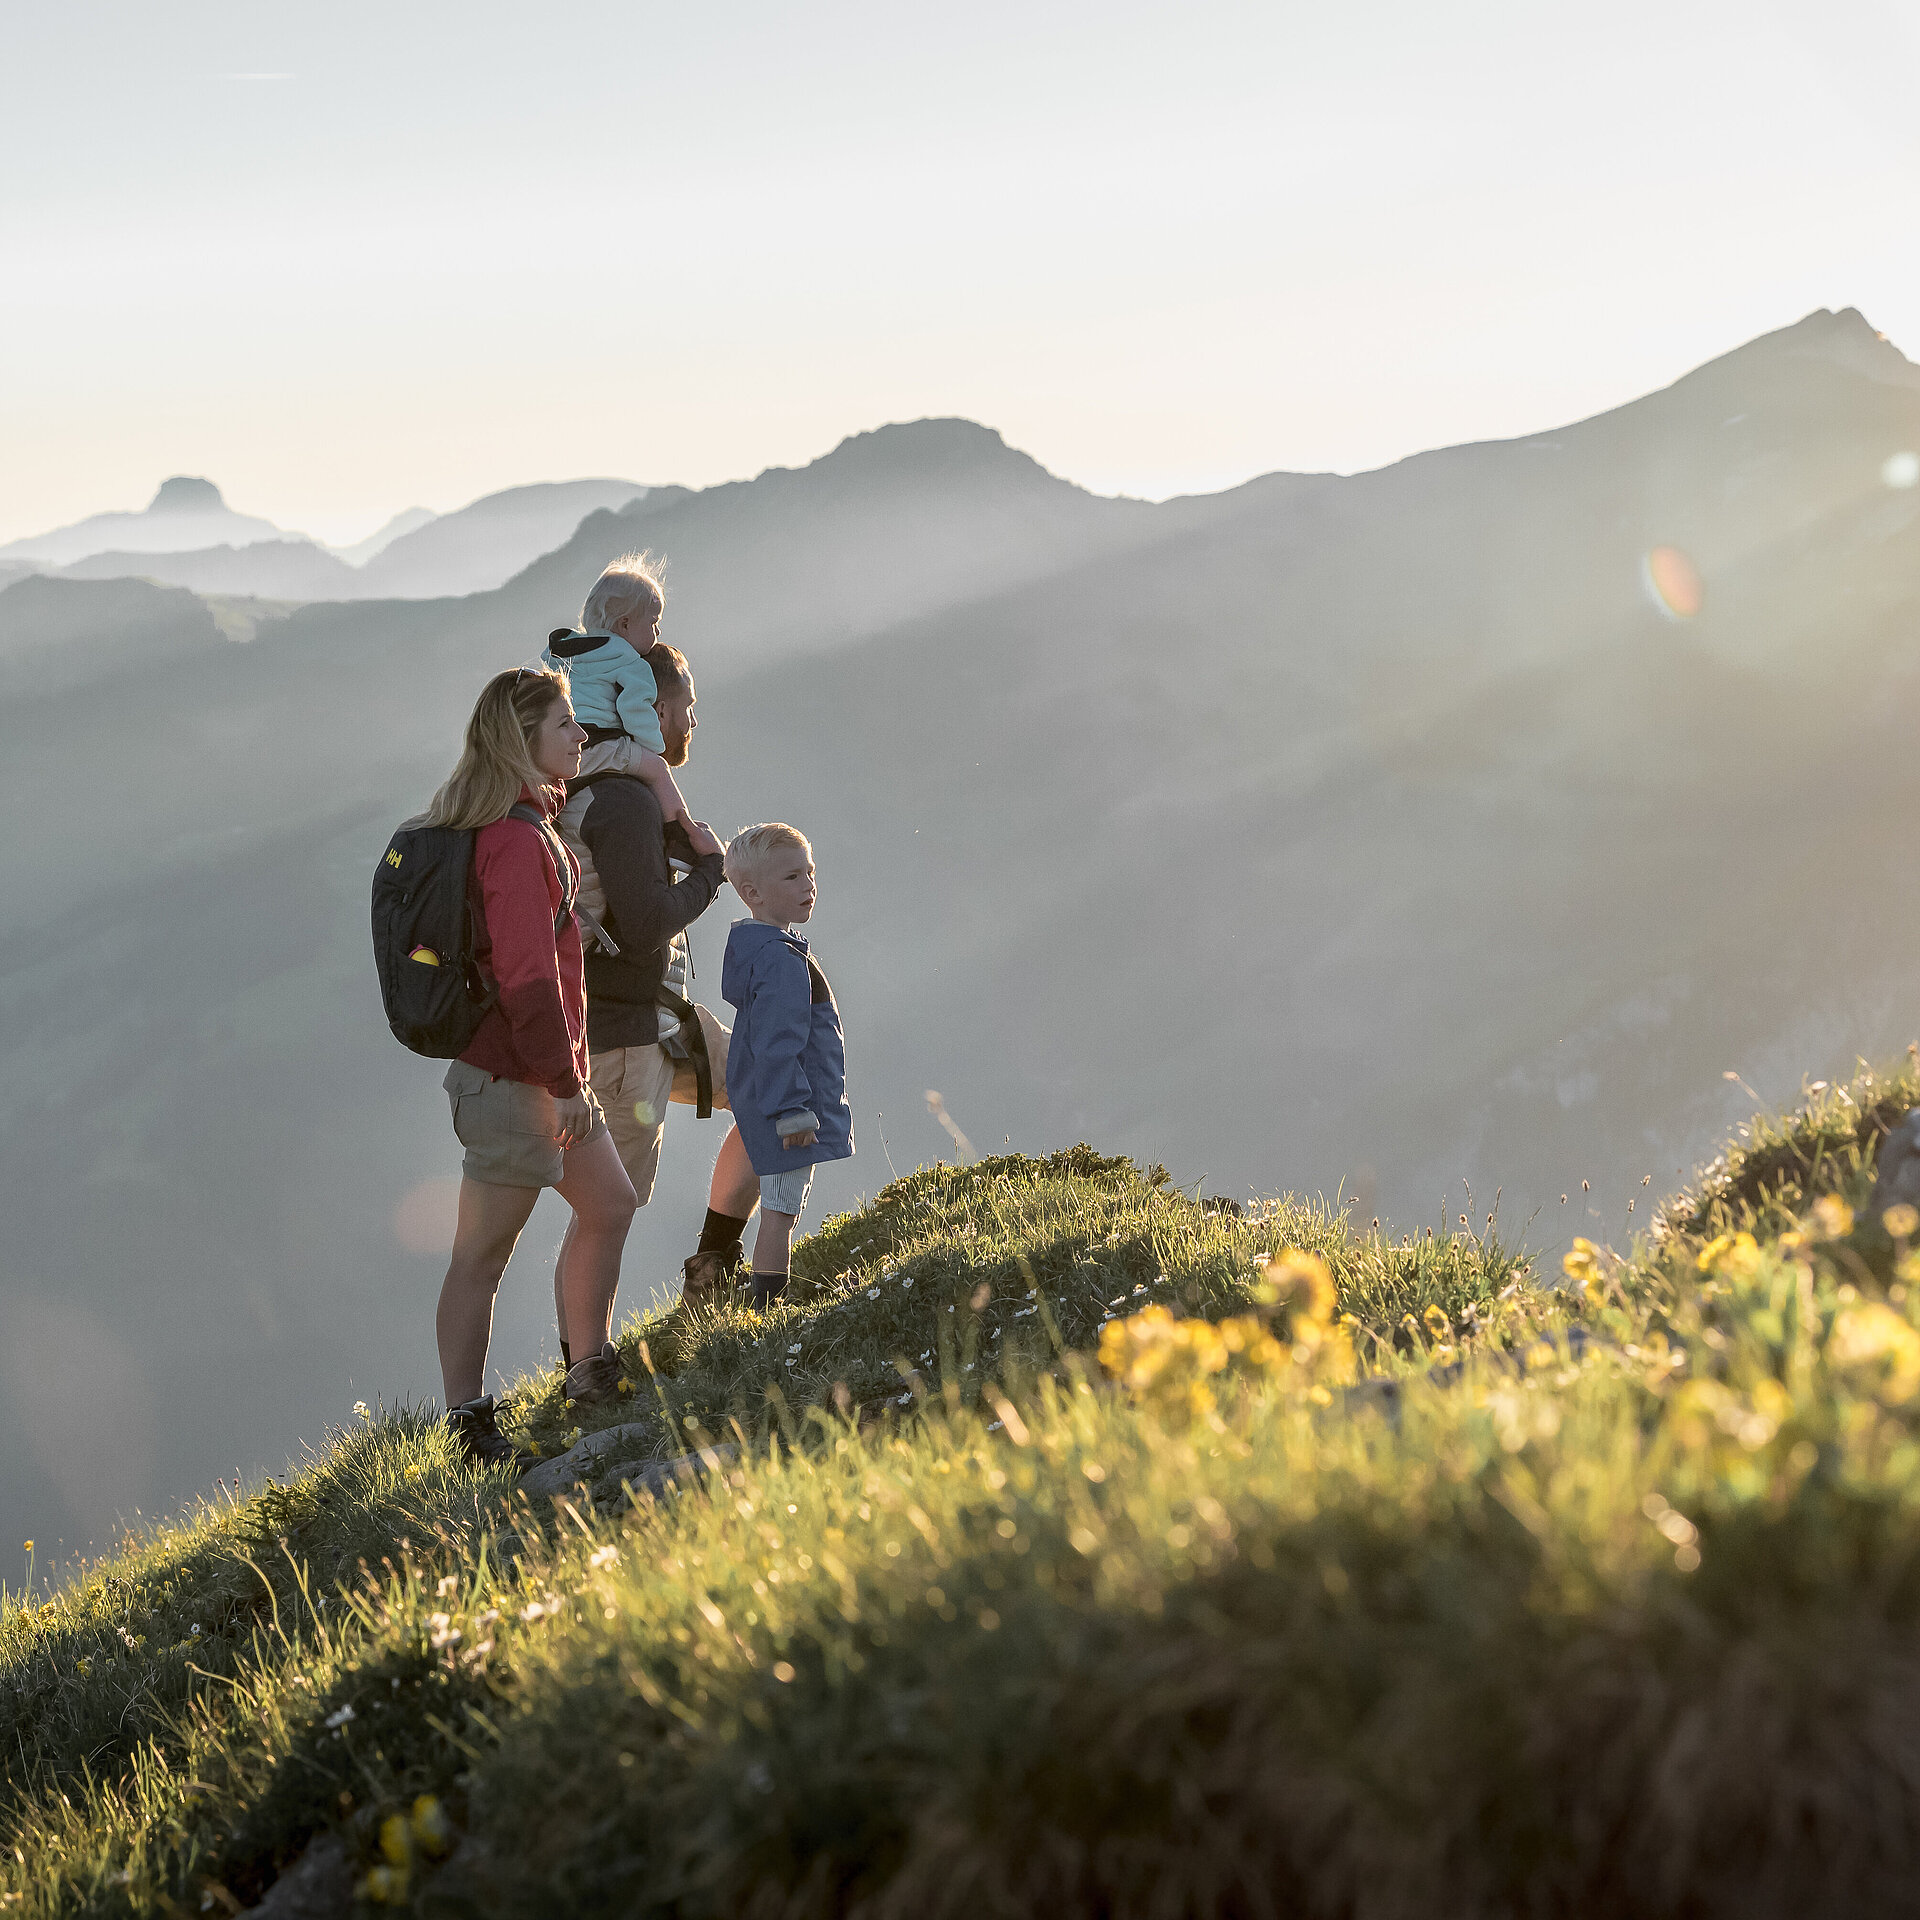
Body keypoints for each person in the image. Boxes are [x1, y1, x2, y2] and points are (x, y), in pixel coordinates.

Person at [426, 667, 639, 1464]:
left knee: (609, 1203)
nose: (581, 735)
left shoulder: (529, 826)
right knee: (481, 1256)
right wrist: (567, 1083)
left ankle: (588, 1370)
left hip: (541, 1076)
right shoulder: (513, 842)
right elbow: (524, 980)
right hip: (516, 1082)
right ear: (524, 741)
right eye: (565, 724)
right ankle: (469, 1425)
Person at [551, 640, 763, 1322]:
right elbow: (644, 924)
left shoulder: (610, 794)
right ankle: (586, 1370)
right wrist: (711, 875)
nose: (692, 721)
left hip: (652, 1018)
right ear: (657, 708)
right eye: (687, 707)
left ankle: (714, 1275)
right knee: (606, 1212)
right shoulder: (621, 801)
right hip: (620, 1039)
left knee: (774, 1092)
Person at [720, 824, 854, 1305]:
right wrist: (793, 1110)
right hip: (789, 1109)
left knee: (779, 1204)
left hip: (773, 1100)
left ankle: (763, 1298)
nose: (809, 886)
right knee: (780, 1209)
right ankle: (769, 1307)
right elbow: (779, 1042)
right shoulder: (780, 959)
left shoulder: (762, 948)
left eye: (810, 873)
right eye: (793, 877)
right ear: (752, 892)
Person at [542, 552, 693, 830]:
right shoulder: (630, 663)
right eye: (653, 623)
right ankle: (680, 836)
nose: (657, 632)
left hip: (562, 745)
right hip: (599, 741)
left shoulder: (567, 650)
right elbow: (634, 708)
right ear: (625, 624)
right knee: (658, 771)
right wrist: (652, 749)